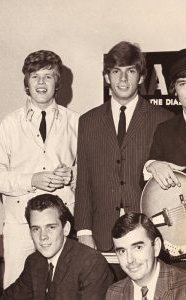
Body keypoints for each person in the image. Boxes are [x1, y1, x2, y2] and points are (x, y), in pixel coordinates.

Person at [0, 50, 79, 287]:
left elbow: (87, 176)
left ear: (57, 82)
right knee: (18, 287)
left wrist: (71, 176)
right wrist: (32, 179)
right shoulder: (10, 123)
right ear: (26, 82)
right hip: (20, 225)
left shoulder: (75, 122)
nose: (40, 82)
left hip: (61, 222)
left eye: (48, 76)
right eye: (34, 76)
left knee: (62, 286)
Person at [74, 41, 173, 255]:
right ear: (106, 77)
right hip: (101, 235)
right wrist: (83, 230)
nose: (123, 79)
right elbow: (83, 180)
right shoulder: (87, 122)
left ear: (142, 77)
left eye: (131, 71)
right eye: (116, 71)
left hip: (148, 233)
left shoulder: (163, 119)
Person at [2, 194, 113, 300]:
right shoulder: (34, 261)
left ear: (66, 229)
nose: (43, 237)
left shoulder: (92, 263)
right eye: (36, 229)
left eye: (50, 227)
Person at [106, 212, 186, 299]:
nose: (130, 260)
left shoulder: (183, 288)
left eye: (138, 247)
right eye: (122, 251)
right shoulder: (114, 293)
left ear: (156, 246)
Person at [145, 49, 186, 189]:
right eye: (183, 84)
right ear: (174, 90)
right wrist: (152, 165)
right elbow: (146, 186)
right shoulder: (164, 130)